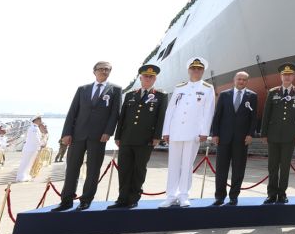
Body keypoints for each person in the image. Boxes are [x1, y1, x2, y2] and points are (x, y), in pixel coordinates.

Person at [51, 61, 123, 211]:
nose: (104, 71)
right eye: (101, 69)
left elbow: (115, 114)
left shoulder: (115, 90)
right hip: (78, 135)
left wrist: (108, 132)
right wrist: (66, 133)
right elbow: (73, 112)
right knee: (71, 168)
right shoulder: (82, 89)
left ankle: (86, 200)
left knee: (93, 169)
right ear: (94, 71)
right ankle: (66, 200)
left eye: (107, 69)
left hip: (99, 136)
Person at [158, 57, 216, 208]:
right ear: (189, 70)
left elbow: (208, 111)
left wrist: (205, 131)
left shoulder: (207, 88)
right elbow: (170, 110)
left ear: (203, 71)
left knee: (187, 164)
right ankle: (171, 195)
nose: (196, 71)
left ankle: (184, 194)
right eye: (193, 68)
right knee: (173, 164)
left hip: (193, 132)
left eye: (199, 69)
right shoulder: (180, 87)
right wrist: (166, 131)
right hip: (176, 130)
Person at [110, 64, 168, 209]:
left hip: (145, 140)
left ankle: (134, 198)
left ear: (155, 79)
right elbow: (122, 117)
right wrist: (118, 136)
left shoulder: (160, 96)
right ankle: (122, 198)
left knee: (139, 169)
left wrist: (157, 137)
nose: (148, 79)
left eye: (151, 77)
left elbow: (161, 118)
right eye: (145, 76)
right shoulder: (130, 94)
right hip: (126, 138)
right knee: (123, 169)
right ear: (140, 78)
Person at [209, 70, 257, 206]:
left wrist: (250, 134)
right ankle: (219, 197)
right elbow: (217, 116)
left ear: (247, 81)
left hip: (242, 139)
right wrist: (215, 134)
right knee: (221, 169)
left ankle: (234, 196)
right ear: (234, 80)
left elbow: (253, 118)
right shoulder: (224, 95)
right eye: (239, 79)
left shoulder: (252, 96)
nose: (241, 81)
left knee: (238, 169)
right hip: (223, 138)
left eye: (244, 80)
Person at [261, 62, 295, 204]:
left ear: (293, 76)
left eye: (290, 75)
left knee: (285, 166)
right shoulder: (273, 92)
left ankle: (282, 194)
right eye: (285, 75)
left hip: (289, 136)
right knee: (272, 166)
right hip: (273, 135)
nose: (287, 77)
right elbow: (266, 114)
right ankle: (271, 194)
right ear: (281, 76)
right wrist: (264, 133)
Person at [15, 116, 45, 183]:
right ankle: (20, 177)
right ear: (35, 120)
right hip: (30, 148)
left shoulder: (35, 127)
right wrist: (42, 144)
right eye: (39, 119)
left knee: (29, 163)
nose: (41, 121)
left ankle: (25, 175)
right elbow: (36, 139)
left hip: (32, 148)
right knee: (25, 163)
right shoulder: (34, 128)